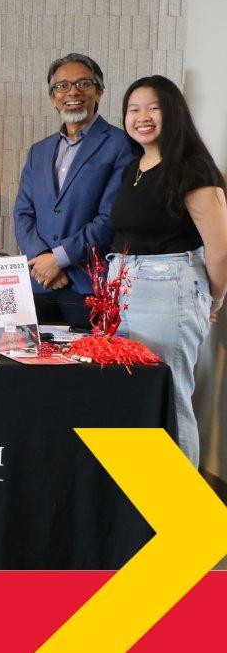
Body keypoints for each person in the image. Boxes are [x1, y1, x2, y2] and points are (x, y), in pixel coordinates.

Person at [108, 75, 227, 466]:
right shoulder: (135, 167)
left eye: (153, 107)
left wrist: (215, 296)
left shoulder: (191, 168)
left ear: (172, 112)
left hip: (169, 288)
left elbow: (221, 248)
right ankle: (143, 508)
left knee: (170, 399)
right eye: (133, 108)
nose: (142, 117)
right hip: (123, 287)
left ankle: (180, 520)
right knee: (131, 395)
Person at [13, 52, 133, 328]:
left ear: (99, 92)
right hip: (39, 285)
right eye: (62, 86)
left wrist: (59, 259)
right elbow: (23, 213)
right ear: (53, 97)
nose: (72, 92)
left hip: (88, 287)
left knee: (86, 369)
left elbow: (110, 218)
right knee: (29, 367)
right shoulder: (38, 151)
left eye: (83, 84)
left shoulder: (120, 145)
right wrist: (43, 263)